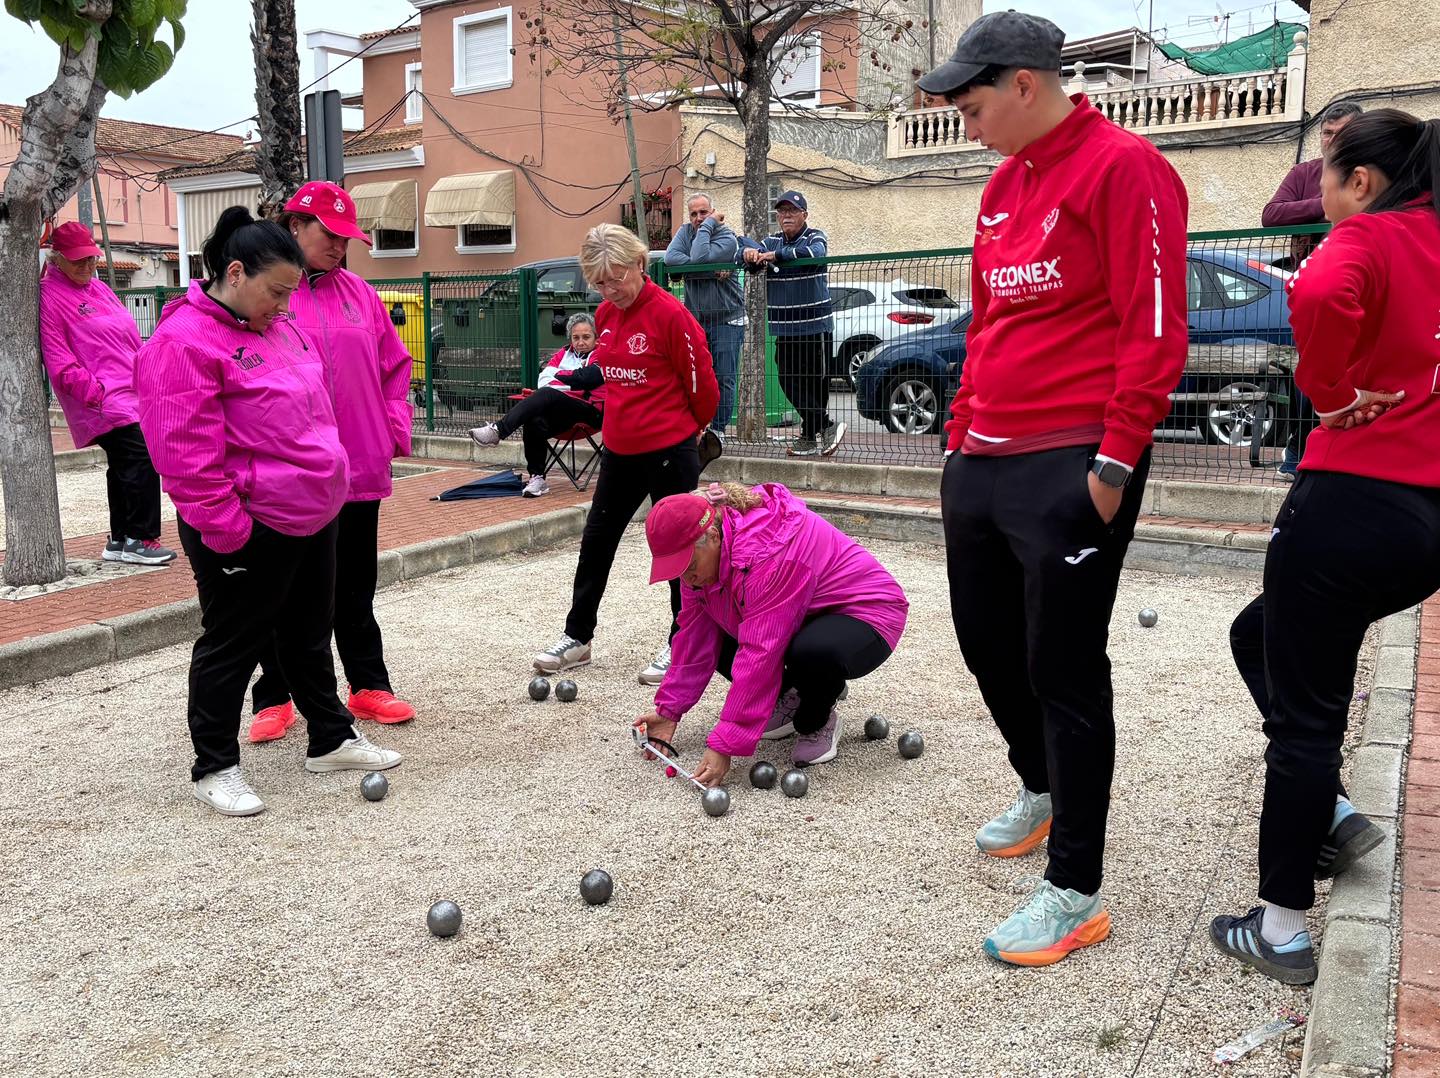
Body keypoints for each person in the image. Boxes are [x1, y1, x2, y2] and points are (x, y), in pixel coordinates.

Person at [918, 11, 1189, 966]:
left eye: (973, 105)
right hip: (982, 458)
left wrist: (1114, 465)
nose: (967, 124)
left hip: (1074, 458)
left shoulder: (1126, 168)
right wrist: (957, 438)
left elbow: (1154, 325)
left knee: (1064, 667)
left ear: (1024, 85)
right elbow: (986, 321)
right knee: (986, 644)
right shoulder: (1002, 184)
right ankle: (1040, 785)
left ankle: (1075, 889)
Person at [1210, 109, 1440, 985]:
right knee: (1256, 634)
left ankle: (1279, 930)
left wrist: (1331, 392)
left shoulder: (1371, 236)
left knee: (1306, 724)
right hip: (1424, 525)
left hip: (1351, 505)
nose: (1321, 196)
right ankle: (1335, 815)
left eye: (1328, 178)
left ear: (1363, 181)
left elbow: (1313, 295)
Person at [135, 207, 403, 817]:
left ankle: (329, 737)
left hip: (312, 513)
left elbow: (314, 412)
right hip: (249, 521)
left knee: (309, 633)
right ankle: (215, 765)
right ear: (235, 273)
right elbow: (183, 451)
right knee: (234, 641)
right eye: (277, 292)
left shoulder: (277, 327)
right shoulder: (182, 342)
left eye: (290, 294)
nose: (284, 306)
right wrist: (228, 528)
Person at [243, 182, 418, 743]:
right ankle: (275, 694)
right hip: (292, 473)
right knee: (283, 588)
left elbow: (395, 366)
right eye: (330, 234)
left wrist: (393, 428)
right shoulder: (270, 294)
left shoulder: (360, 294)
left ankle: (368, 684)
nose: (341, 246)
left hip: (359, 464)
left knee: (355, 583)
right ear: (295, 226)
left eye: (347, 238)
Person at [532, 223, 719, 687]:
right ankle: (578, 636)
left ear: (639, 263)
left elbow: (703, 385)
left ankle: (682, 640)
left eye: (616, 278)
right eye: (600, 283)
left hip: (670, 449)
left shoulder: (671, 315)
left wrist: (692, 429)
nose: (610, 290)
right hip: (620, 449)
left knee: (679, 549)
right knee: (597, 542)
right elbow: (608, 370)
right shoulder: (605, 314)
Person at [634, 482, 908, 782]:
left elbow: (761, 650)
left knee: (812, 652)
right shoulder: (701, 567)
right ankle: (796, 694)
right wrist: (669, 711)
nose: (687, 579)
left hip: (867, 613)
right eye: (678, 572)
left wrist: (726, 742)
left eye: (690, 566)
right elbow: (693, 639)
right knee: (717, 635)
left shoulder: (767, 555)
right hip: (806, 617)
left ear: (712, 536)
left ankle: (817, 718)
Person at [38, 222, 176, 566]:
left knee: (124, 463)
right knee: (140, 455)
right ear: (56, 258)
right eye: (77, 260)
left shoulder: (99, 288)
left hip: (133, 390)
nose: (86, 266)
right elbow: (58, 359)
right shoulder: (49, 295)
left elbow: (128, 335)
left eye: (90, 258)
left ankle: (119, 539)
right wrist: (93, 391)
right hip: (100, 398)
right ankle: (140, 539)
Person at [1263, 101, 1362, 479]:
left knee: (1353, 370)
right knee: (1313, 370)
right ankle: (1299, 451)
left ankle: (1338, 453)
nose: (1332, 140)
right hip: (1313, 285)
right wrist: (1326, 202)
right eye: (1327, 133)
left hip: (1360, 283)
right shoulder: (1304, 173)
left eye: (1342, 132)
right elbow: (1272, 214)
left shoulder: (1371, 172)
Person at [737, 191, 843, 457]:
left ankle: (809, 436)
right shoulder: (770, 241)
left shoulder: (815, 236)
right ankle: (825, 426)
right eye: (782, 211)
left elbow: (814, 253)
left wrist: (775, 256)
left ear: (804, 215)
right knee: (788, 379)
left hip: (815, 325)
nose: (786, 216)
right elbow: (743, 258)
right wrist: (749, 253)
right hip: (784, 326)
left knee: (816, 382)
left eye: (792, 211)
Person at [466, 312, 606, 497]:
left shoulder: (602, 354)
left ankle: (498, 430)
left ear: (596, 337)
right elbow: (544, 380)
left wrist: (559, 377)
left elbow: (588, 379)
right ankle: (537, 478)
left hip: (593, 412)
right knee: (534, 418)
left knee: (548, 394)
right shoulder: (563, 353)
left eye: (586, 337)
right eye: (576, 337)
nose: (580, 342)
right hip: (563, 412)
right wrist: (571, 381)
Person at [664, 193, 743, 432]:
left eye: (704, 213)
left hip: (728, 319)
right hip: (696, 322)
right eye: (693, 214)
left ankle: (717, 431)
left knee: (724, 378)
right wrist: (704, 268)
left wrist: (708, 227)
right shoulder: (684, 232)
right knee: (694, 378)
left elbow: (697, 258)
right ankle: (696, 428)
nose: (698, 218)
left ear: (713, 212)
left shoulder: (727, 237)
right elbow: (670, 259)